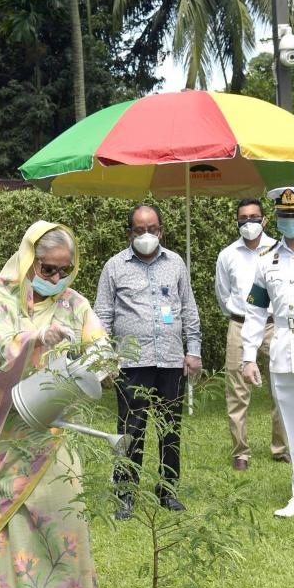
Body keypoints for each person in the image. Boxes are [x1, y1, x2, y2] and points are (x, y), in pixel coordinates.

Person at [0, 221, 104, 588]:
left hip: (58, 430)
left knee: (65, 519)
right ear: (30, 262)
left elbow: (101, 346)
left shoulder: (75, 303)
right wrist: (34, 338)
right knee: (19, 523)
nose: (56, 277)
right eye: (47, 268)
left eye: (64, 269)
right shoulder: (0, 296)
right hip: (10, 430)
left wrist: (99, 365)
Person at [94, 204, 202, 519]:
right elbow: (102, 315)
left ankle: (168, 490)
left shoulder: (176, 263)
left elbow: (188, 309)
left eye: (152, 229)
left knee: (170, 428)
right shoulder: (114, 266)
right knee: (131, 428)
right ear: (129, 233)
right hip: (131, 362)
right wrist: (104, 358)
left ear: (161, 231)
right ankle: (125, 492)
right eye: (139, 230)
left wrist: (192, 350)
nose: (146, 235)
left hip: (170, 361)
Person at [243, 186, 294, 518]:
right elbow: (256, 311)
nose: (289, 222)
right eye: (284, 217)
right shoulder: (266, 257)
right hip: (283, 346)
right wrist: (247, 356)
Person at [215, 198, 288, 470]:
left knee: (281, 386)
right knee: (237, 391)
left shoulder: (278, 250)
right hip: (240, 324)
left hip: (274, 324)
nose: (249, 223)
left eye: (254, 217)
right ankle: (241, 452)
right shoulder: (227, 255)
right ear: (237, 222)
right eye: (243, 218)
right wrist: (239, 314)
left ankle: (281, 448)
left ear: (264, 220)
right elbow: (223, 294)